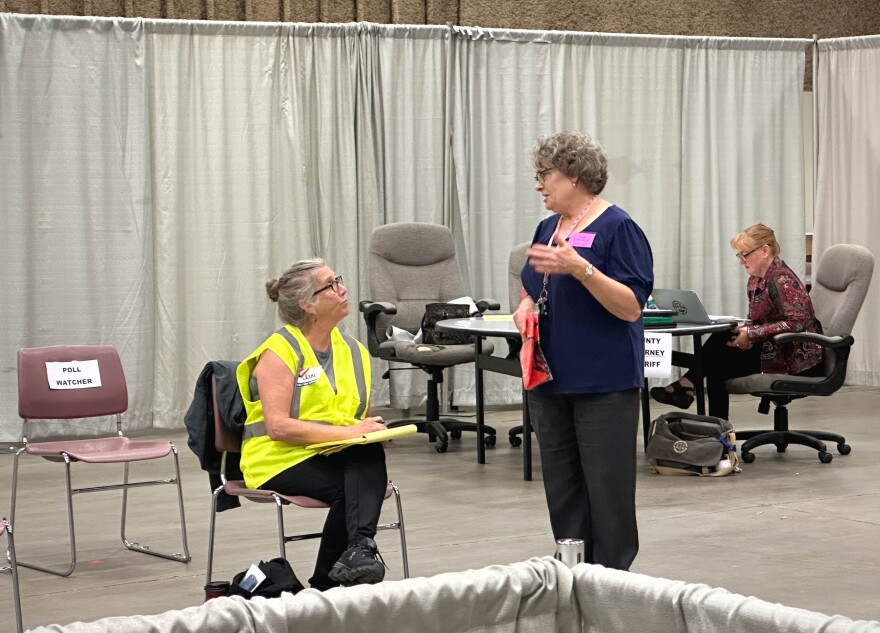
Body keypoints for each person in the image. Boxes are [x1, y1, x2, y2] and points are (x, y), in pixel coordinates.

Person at [513, 132, 654, 571]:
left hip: (603, 382)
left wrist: (582, 268)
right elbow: (530, 283)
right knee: (563, 486)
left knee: (606, 489)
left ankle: (612, 580)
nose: (539, 185)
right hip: (549, 378)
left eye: (545, 175)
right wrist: (523, 306)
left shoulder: (618, 228)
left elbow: (630, 306)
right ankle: (573, 570)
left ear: (574, 176)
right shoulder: (546, 228)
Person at [237, 259, 390, 590]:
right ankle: (332, 578)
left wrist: (370, 429)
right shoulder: (280, 350)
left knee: (368, 453)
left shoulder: (353, 350)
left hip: (329, 449)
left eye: (339, 279)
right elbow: (277, 427)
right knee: (349, 486)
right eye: (331, 284)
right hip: (277, 456)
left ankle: (355, 554)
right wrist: (351, 433)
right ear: (308, 304)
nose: (343, 288)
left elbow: (354, 417)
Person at [650, 223, 824, 420]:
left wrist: (751, 334)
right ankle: (709, 418)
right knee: (722, 339)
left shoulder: (781, 279)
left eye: (745, 254)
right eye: (739, 255)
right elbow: (758, 320)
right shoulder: (755, 279)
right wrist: (745, 332)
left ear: (765, 251)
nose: (742, 261)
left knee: (717, 363)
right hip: (771, 348)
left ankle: (693, 395)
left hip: (795, 357)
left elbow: (797, 322)